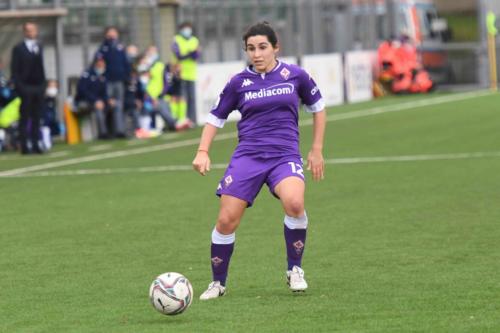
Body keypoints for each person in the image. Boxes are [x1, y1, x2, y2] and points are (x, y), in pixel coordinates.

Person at [192, 22, 326, 300]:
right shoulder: (238, 83)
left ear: (276, 47)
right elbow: (215, 117)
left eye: (263, 47)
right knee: (226, 220)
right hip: (249, 156)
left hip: (284, 154)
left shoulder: (295, 75)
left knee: (295, 203)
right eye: (251, 48)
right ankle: (218, 283)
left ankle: (295, 270)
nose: (257, 54)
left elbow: (318, 108)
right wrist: (202, 151)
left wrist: (316, 149)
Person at [10, 22, 46, 154]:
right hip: (25, 87)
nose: (31, 33)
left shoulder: (39, 46)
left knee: (37, 117)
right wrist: (21, 87)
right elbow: (15, 70)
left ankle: (36, 143)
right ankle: (24, 145)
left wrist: (43, 85)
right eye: (28, 30)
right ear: (25, 32)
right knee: (25, 117)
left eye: (33, 30)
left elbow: (41, 68)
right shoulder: (18, 48)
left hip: (38, 87)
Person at [95, 26, 130, 138]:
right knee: (106, 105)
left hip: (119, 81)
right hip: (108, 81)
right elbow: (98, 62)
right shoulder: (103, 48)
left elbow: (126, 63)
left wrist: (127, 77)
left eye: (114, 32)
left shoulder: (121, 47)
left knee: (119, 106)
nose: (112, 35)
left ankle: (119, 130)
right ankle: (104, 132)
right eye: (110, 33)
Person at [171, 21, 200, 124]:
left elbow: (196, 56)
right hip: (180, 73)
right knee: (181, 98)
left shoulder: (194, 40)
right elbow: (179, 55)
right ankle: (180, 119)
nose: (187, 31)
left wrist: (188, 54)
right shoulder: (176, 40)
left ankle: (191, 120)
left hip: (191, 73)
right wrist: (190, 53)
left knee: (191, 98)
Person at [74, 57, 110, 139]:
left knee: (108, 107)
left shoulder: (103, 76)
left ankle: (112, 131)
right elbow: (82, 90)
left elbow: (104, 93)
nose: (102, 65)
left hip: (98, 102)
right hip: (84, 101)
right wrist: (95, 101)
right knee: (98, 109)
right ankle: (103, 133)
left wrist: (106, 101)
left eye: (103, 62)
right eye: (100, 62)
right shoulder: (87, 74)